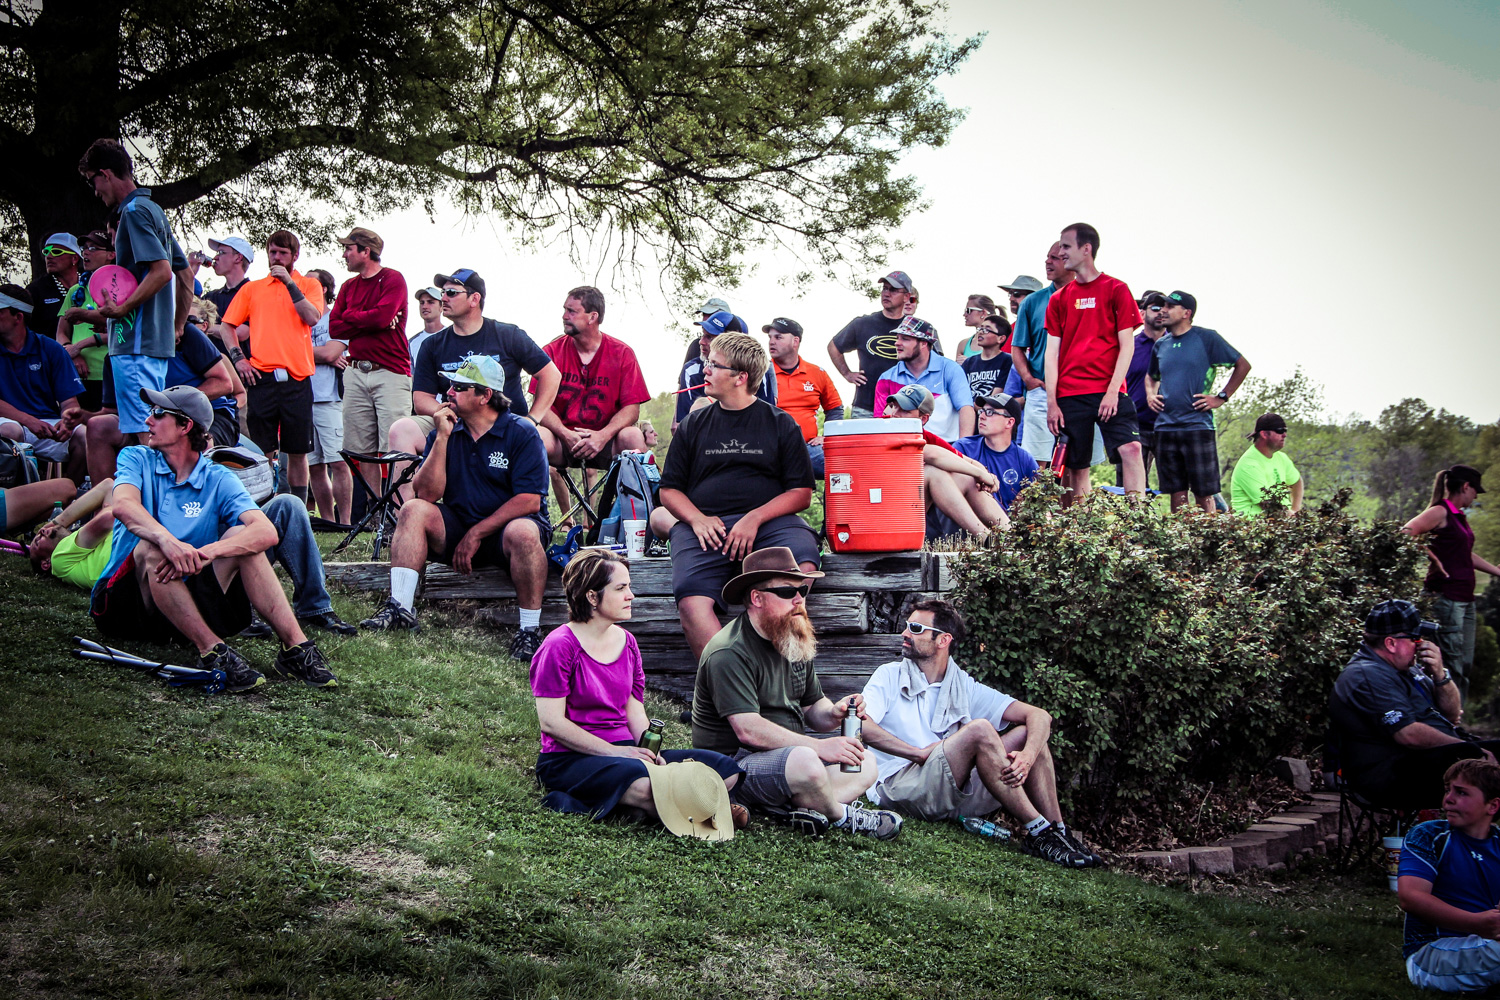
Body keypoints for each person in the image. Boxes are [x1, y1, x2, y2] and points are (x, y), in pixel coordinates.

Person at [88, 385, 338, 691]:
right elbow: (124, 505)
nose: (148, 421)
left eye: (157, 413)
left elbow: (265, 531)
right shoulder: (136, 457)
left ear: (185, 426)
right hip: (126, 606)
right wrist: (168, 541)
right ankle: (212, 651)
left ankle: (295, 648)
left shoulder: (217, 476)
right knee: (150, 547)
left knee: (245, 539)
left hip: (185, 598)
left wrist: (209, 552)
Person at [858, 600, 1098, 866]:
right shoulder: (889, 675)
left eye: (915, 628)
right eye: (906, 626)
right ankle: (1040, 830)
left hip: (953, 792)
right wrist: (916, 753)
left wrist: (1027, 756)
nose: (904, 633)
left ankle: (1058, 833)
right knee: (980, 729)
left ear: (943, 640)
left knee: (1030, 736)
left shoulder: (963, 686)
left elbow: (1040, 716)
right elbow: (862, 725)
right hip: (902, 787)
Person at [690, 547, 902, 839]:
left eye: (802, 589)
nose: (800, 599)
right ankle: (844, 816)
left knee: (864, 761)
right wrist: (818, 748)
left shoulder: (791, 635)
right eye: (789, 592)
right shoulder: (728, 651)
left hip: (788, 761)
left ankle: (794, 808)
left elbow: (813, 708)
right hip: (732, 766)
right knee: (806, 762)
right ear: (757, 598)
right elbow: (748, 731)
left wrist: (836, 712)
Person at [530, 548, 745, 830]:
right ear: (592, 597)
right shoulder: (560, 646)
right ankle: (704, 811)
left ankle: (644, 805)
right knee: (644, 782)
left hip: (627, 755)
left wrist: (649, 752)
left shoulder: (628, 642)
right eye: (621, 588)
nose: (631, 595)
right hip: (570, 759)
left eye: (629, 587)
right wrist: (616, 753)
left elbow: (634, 709)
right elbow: (551, 723)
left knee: (724, 769)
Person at [360, 357, 553, 662]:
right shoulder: (445, 429)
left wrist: (477, 532)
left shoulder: (521, 432)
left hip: (506, 532)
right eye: (450, 384)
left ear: (485, 396)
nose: (448, 392)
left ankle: (529, 631)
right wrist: (441, 440)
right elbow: (426, 493)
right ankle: (400, 608)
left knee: (524, 531)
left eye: (459, 387)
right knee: (412, 509)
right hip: (459, 524)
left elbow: (530, 500)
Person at [652, 332, 820, 661]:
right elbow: (669, 490)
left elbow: (801, 494)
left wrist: (755, 518)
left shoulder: (780, 424)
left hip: (770, 524)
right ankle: (728, 689)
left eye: (714, 365)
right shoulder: (693, 425)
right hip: (706, 527)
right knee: (691, 600)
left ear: (740, 377)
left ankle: (775, 667)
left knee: (799, 565)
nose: (705, 370)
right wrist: (696, 519)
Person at [30, 474, 357, 637]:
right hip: (174, 575)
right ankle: (242, 618)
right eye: (33, 542)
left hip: (197, 551)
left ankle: (314, 607)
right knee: (231, 532)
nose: (39, 534)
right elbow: (112, 509)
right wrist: (60, 523)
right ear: (44, 562)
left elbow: (108, 486)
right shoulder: (61, 557)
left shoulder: (88, 538)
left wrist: (59, 521)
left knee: (288, 505)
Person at [389, 268, 560, 500]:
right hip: (456, 425)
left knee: (537, 436)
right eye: (443, 292)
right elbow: (421, 399)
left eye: (451, 292)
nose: (443, 298)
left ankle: (527, 515)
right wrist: (448, 413)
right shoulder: (433, 345)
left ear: (474, 299)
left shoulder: (507, 335)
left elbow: (551, 375)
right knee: (401, 430)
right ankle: (405, 517)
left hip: (508, 426)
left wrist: (532, 419)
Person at [1328, 600, 1500, 809]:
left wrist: (1440, 674)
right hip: (1388, 775)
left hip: (1420, 762)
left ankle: (1480, 839)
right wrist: (1469, 753)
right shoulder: (1366, 675)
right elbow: (1408, 734)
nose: (1421, 644)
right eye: (1415, 638)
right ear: (1391, 643)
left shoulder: (1408, 670)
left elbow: (1452, 715)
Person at [79, 138, 192, 448]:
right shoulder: (153, 208)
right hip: (153, 345)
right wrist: (178, 325)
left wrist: (123, 308)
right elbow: (185, 273)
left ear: (105, 174)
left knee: (148, 436)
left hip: (135, 344)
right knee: (144, 432)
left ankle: (155, 497)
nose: (96, 190)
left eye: (93, 182)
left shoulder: (132, 212)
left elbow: (162, 271)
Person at [217, 231, 324, 506]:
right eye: (272, 252)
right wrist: (238, 359)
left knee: (298, 450)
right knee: (262, 449)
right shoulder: (252, 289)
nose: (276, 258)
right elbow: (228, 326)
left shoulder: (309, 284)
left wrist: (289, 283)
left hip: (296, 378)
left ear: (294, 256)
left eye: (282, 253)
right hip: (261, 377)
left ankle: (298, 507)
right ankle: (262, 506)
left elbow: (312, 317)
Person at [1043, 223, 1146, 503]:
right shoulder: (1059, 299)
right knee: (1077, 467)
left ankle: (1139, 525)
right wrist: (1052, 402)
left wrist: (1113, 391)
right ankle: (1084, 533)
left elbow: (1128, 345)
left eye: (1066, 246)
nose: (1060, 253)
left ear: (1086, 249)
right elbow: (1050, 355)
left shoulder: (1116, 289)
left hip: (1110, 390)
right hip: (1070, 394)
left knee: (1132, 449)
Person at [535, 286, 650, 517]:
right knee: (534, 435)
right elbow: (540, 407)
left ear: (592, 317)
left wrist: (603, 435)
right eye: (565, 310)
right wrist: (565, 434)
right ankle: (536, 517)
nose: (564, 316)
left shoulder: (622, 353)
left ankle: (637, 524)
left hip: (607, 440)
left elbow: (632, 409)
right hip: (563, 439)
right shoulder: (551, 352)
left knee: (633, 437)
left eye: (572, 311)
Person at [86, 317, 238, 486]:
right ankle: (108, 501)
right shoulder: (116, 355)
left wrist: (175, 404)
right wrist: (81, 416)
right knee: (98, 426)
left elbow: (224, 384)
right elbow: (111, 411)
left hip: (210, 415)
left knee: (201, 443)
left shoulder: (183, 332)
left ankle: (193, 502)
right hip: (150, 418)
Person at [1397, 759, 1500, 994]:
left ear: (1492, 806)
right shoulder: (1430, 835)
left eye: (1461, 792)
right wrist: (1477, 923)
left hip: (1488, 946)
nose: (1449, 799)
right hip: (1432, 952)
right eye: (1447, 790)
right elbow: (1410, 897)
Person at [1144, 290, 1251, 512]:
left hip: (1197, 427)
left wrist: (1221, 397)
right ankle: (1181, 542)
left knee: (1203, 493)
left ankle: (1205, 542)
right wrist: (1150, 395)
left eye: (1170, 307)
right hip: (1165, 428)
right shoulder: (1161, 345)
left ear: (1186, 313)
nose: (1164, 310)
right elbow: (1151, 377)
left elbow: (1242, 365)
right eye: (1162, 306)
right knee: (1176, 492)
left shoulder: (1207, 338)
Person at [1403, 466, 1498, 703]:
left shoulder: (1458, 517)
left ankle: (1458, 718)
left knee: (1464, 664)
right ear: (1466, 486)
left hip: (1465, 600)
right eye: (1475, 491)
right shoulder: (1440, 511)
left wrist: (1497, 571)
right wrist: (1431, 556)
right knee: (1451, 665)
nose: (1475, 497)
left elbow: (1464, 554)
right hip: (1446, 598)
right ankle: (1448, 723)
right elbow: (1404, 533)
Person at [329, 227, 410, 502]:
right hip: (355, 371)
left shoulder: (393, 279)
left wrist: (356, 318)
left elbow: (380, 317)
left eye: (349, 248)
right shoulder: (348, 286)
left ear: (366, 251)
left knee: (396, 447)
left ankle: (399, 512)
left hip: (390, 373)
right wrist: (369, 318)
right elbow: (334, 326)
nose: (344, 254)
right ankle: (376, 515)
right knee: (361, 449)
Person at [882, 384, 1007, 538]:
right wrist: (980, 474)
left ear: (923, 419)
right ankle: (984, 538)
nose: (895, 413)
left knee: (967, 478)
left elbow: (969, 462)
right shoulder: (883, 427)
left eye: (905, 410)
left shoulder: (922, 434)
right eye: (894, 406)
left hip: (906, 512)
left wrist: (986, 475)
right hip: (881, 515)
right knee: (933, 472)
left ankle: (1013, 535)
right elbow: (932, 454)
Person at [0, 285, 87, 483]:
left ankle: (66, 499)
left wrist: (67, 421)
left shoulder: (50, 349)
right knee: (10, 432)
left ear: (18, 317)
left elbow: (69, 402)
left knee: (83, 435)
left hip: (45, 425)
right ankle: (15, 502)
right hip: (10, 424)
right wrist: (28, 420)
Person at [1010, 243, 1072, 464]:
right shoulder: (1033, 302)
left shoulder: (1086, 298)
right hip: (1041, 390)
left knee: (1075, 462)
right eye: (1047, 257)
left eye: (1055, 258)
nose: (1048, 262)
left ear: (1071, 259)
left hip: (1079, 390)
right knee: (1036, 461)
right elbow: (1016, 347)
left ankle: (1071, 501)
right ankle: (1037, 501)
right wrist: (1028, 380)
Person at [871, 317, 975, 442]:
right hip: (903, 449)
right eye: (897, 338)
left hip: (947, 449)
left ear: (923, 343)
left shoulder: (950, 369)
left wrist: (963, 448)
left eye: (905, 338)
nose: (897, 343)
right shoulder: (886, 378)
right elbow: (879, 422)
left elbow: (966, 409)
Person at [827, 271, 914, 418]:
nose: (886, 293)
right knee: (862, 442)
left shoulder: (913, 328)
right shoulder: (863, 323)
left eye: (893, 290)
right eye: (884, 289)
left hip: (903, 409)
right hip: (865, 407)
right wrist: (847, 374)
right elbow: (833, 346)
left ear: (906, 296)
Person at [673, 310, 776, 433]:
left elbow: (768, 419)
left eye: (710, 337)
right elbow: (684, 425)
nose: (701, 342)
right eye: (702, 335)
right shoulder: (691, 370)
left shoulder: (759, 368)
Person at [766, 316, 841, 479]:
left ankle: (836, 505)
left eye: (778, 337)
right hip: (770, 448)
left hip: (808, 448)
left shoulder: (816, 373)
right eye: (770, 337)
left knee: (842, 466)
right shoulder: (761, 372)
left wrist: (827, 436)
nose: (771, 342)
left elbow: (835, 409)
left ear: (795, 341)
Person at [306, 269, 353, 525]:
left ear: (323, 288)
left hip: (331, 398)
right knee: (314, 465)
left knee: (338, 462)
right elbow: (323, 354)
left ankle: (344, 522)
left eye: (311, 280)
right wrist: (321, 353)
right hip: (303, 399)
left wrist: (300, 351)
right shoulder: (300, 319)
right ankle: (327, 522)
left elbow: (330, 353)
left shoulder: (335, 317)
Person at [56, 230, 116, 412]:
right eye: (84, 248)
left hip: (109, 373)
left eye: (93, 248)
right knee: (78, 428)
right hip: (76, 375)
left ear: (111, 255)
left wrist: (80, 345)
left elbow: (122, 330)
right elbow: (61, 332)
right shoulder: (75, 290)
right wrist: (72, 353)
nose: (86, 253)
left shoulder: (119, 288)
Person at [953, 393, 1038, 513]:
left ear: (1009, 422)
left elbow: (1041, 503)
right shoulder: (964, 448)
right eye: (981, 411)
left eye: (990, 412)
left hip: (1008, 528)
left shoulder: (1025, 460)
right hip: (968, 523)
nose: (981, 416)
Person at [1121, 290, 1169, 486]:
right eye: (1155, 307)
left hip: (1169, 425)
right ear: (1142, 310)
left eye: (1165, 308)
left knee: (1176, 486)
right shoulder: (1128, 346)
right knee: (1132, 488)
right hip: (1134, 425)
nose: (1160, 313)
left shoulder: (1177, 345)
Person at [1229, 413, 1303, 516]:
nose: (1284, 435)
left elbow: (1297, 481)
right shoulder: (1249, 465)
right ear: (1264, 434)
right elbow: (1270, 506)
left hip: (1277, 524)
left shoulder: (1281, 458)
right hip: (1252, 528)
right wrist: (1296, 519)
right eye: (1280, 430)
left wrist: (1296, 509)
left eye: (1285, 431)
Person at [28, 233, 84, 354]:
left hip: (90, 358)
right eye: (46, 251)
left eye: (56, 252)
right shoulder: (36, 289)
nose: (49, 256)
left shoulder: (89, 284)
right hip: (47, 360)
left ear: (75, 258)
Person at [199, 236, 254, 335]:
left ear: (238, 257)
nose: (215, 257)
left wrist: (205, 327)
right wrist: (190, 272)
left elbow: (241, 332)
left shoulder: (253, 292)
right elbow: (188, 317)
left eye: (221, 252)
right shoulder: (211, 297)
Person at [960, 313, 1013, 400]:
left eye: (986, 330)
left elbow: (997, 394)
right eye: (980, 328)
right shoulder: (969, 362)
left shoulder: (1007, 360)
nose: (980, 332)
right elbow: (961, 391)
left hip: (990, 409)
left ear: (1001, 338)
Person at [953, 293, 1004, 359]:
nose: (964, 314)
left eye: (968, 310)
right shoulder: (963, 344)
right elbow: (956, 369)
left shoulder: (999, 341)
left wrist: (969, 363)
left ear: (983, 313)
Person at [408, 285, 445, 367]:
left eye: (430, 302)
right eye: (422, 303)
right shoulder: (411, 343)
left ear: (441, 307)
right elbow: (411, 375)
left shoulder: (452, 336)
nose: (424, 306)